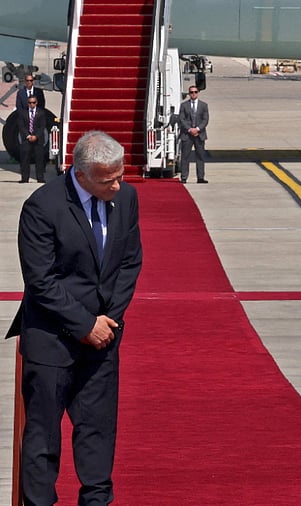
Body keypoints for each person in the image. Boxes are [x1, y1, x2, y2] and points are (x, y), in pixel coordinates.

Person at [6, 130, 143, 505]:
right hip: (51, 340)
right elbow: (41, 280)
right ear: (80, 175)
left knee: (97, 435)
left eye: (120, 176)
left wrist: (107, 321)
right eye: (107, 180)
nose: (117, 186)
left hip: (103, 340)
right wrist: (85, 325)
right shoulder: (42, 206)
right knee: (43, 438)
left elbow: (130, 262)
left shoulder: (127, 198)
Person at [178, 85, 209, 183]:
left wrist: (197, 129)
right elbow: (181, 119)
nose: (193, 94)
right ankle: (184, 177)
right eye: (191, 92)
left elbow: (205, 119)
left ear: (198, 93)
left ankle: (200, 177)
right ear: (189, 94)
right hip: (187, 135)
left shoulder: (203, 105)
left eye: (195, 92)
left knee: (200, 156)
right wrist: (190, 129)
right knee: (185, 157)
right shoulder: (184, 105)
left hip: (199, 135)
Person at [15, 95, 49, 183]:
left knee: (39, 159)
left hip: (38, 139)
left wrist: (36, 136)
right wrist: (28, 136)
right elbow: (21, 126)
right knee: (25, 159)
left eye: (33, 102)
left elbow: (42, 126)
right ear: (28, 103)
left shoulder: (41, 112)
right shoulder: (23, 113)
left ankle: (40, 178)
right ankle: (25, 178)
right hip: (27, 139)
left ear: (36, 103)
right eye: (30, 103)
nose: (32, 104)